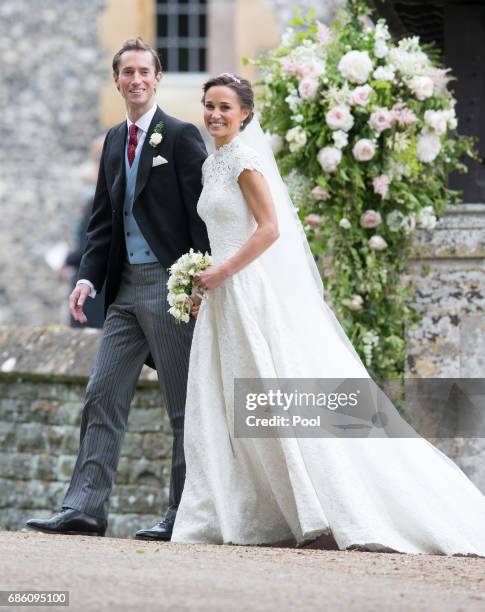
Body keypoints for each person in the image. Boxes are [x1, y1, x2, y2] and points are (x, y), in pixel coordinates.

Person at [170, 73, 485, 555]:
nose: (214, 114)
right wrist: (202, 280)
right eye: (209, 105)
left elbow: (270, 229)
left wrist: (224, 272)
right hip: (222, 296)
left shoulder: (246, 162)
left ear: (245, 114)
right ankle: (250, 510)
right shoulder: (213, 163)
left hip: (248, 291)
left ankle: (319, 505)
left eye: (225, 107)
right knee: (230, 405)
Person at [26, 37, 210, 539]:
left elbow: (200, 218)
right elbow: (103, 224)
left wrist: (198, 282)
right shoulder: (111, 141)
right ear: (117, 80)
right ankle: (85, 508)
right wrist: (87, 276)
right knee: (101, 394)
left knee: (181, 406)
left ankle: (183, 512)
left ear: (157, 78)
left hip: (170, 288)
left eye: (143, 72)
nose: (135, 80)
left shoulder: (180, 137)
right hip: (123, 292)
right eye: (126, 72)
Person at [63, 137, 106, 329]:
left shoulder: (99, 201)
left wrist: (67, 259)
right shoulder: (96, 199)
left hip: (94, 291)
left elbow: (91, 246)